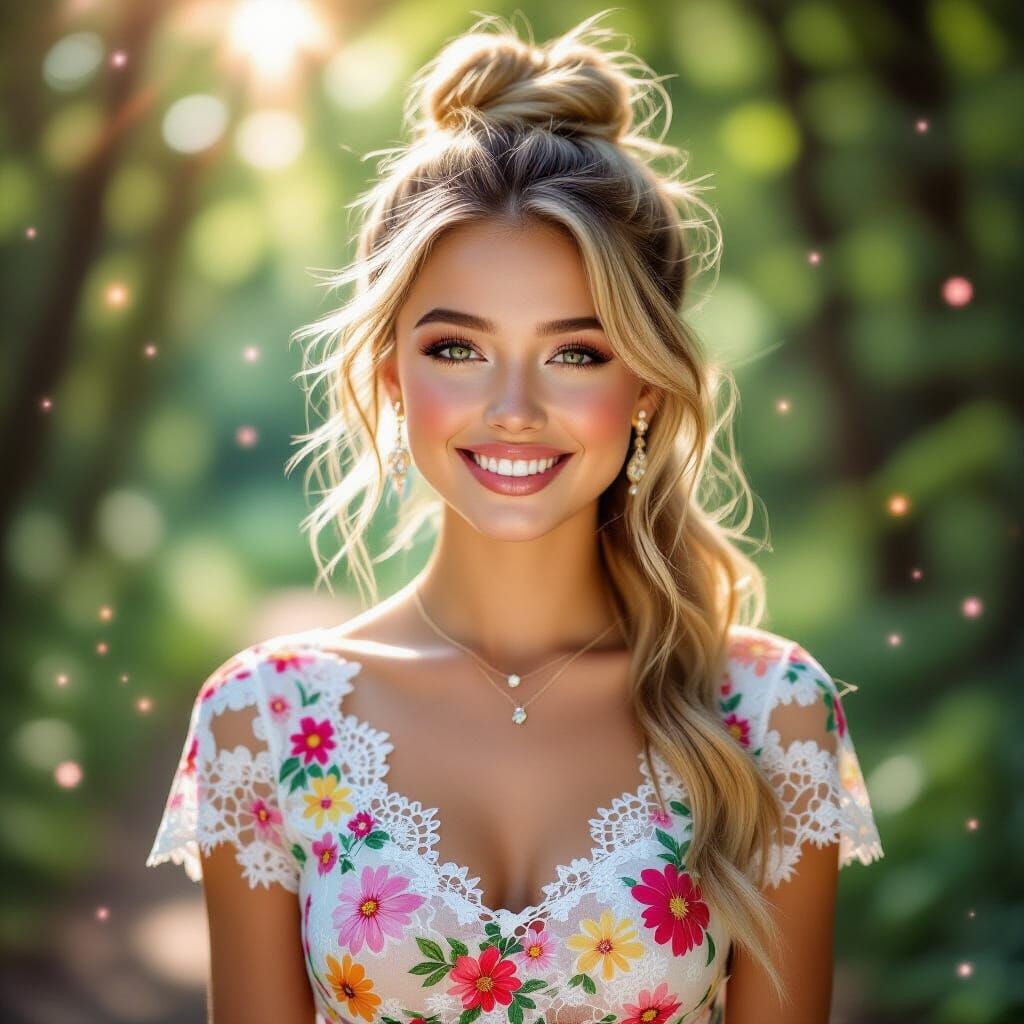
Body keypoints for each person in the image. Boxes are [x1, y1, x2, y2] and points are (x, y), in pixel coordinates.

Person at [146, 11, 883, 1024]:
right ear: (389, 371)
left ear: (649, 387)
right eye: (457, 347)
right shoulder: (266, 723)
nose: (513, 409)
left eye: (576, 351)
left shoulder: (767, 715)